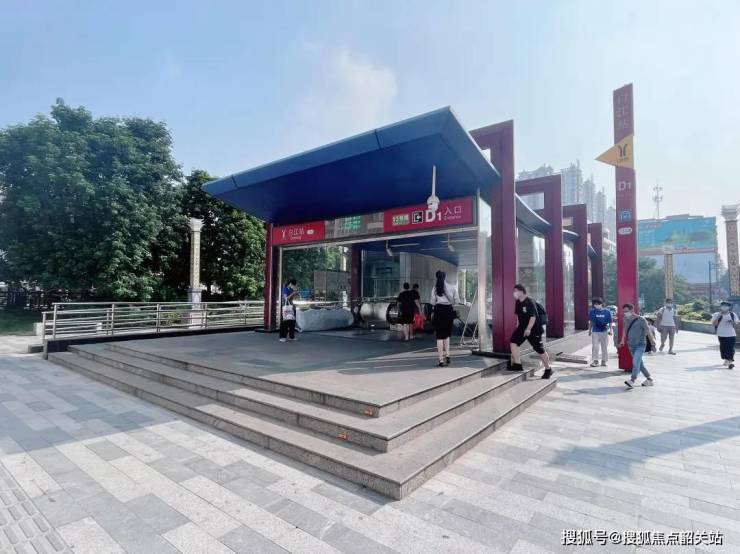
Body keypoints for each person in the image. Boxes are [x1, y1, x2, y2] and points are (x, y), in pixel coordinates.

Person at [509, 284, 553, 379]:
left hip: (534, 330)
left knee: (540, 350)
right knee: (513, 343)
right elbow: (518, 315)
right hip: (522, 328)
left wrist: (528, 329)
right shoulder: (518, 302)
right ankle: (517, 365)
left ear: (521, 291)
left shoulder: (530, 302)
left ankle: (548, 369)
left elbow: (533, 317)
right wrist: (518, 327)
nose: (514, 293)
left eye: (516, 291)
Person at [619, 303, 655, 388]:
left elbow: (648, 332)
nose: (625, 313)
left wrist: (653, 344)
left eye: (627, 311)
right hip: (631, 345)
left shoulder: (641, 319)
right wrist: (622, 340)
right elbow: (624, 330)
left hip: (640, 345)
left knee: (635, 362)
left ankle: (632, 380)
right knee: (639, 363)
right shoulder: (625, 319)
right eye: (624, 312)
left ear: (632, 310)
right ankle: (649, 379)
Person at [430, 270, 461, 366]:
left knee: (439, 336)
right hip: (448, 311)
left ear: (437, 277)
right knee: (447, 335)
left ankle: (440, 360)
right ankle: (448, 356)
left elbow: (432, 302)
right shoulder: (452, 287)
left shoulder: (434, 288)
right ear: (445, 277)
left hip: (438, 311)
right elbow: (457, 301)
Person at [588, 297, 612, 367]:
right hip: (595, 331)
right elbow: (591, 321)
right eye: (595, 304)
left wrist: (610, 330)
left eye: (597, 304)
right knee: (595, 346)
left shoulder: (607, 312)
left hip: (604, 331)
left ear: (601, 304)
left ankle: (604, 361)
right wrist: (589, 330)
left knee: (604, 347)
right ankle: (595, 361)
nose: (596, 305)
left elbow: (610, 321)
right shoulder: (592, 312)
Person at [711, 301, 737, 369]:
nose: (724, 307)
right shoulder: (716, 314)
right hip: (721, 334)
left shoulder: (732, 314)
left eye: (726, 306)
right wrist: (718, 316)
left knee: (731, 348)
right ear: (721, 306)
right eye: (723, 305)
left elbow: (737, 324)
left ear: (729, 307)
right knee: (723, 348)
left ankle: (730, 361)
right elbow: (714, 324)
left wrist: (732, 322)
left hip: (731, 334)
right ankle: (726, 359)